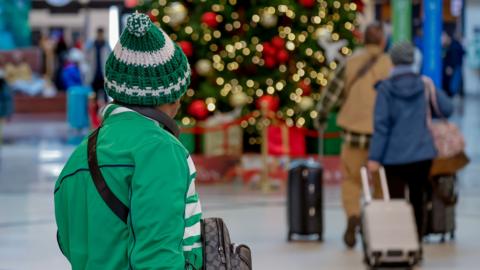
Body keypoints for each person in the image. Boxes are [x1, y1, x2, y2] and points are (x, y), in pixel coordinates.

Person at [54, 13, 202, 269]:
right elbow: (159, 258)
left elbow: (68, 244)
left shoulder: (78, 157)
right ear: (172, 95)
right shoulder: (161, 150)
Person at [315, 22, 393, 248]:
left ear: (363, 39)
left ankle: (353, 217)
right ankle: (377, 225)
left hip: (352, 135)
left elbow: (331, 95)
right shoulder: (390, 65)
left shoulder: (350, 63)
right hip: (381, 138)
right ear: (382, 41)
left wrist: (321, 116)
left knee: (350, 180)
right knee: (380, 182)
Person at [367, 42, 453, 241]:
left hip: (392, 157)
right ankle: (417, 242)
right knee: (418, 199)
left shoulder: (385, 88)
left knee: (396, 202)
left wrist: (374, 158)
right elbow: (447, 109)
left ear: (393, 60)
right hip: (422, 154)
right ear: (413, 60)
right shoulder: (425, 84)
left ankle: (400, 242)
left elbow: (381, 127)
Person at [85, 27, 111, 103]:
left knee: (105, 97)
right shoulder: (92, 45)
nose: (100, 36)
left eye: (101, 34)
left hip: (103, 75)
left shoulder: (106, 45)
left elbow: (110, 58)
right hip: (94, 75)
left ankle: (105, 113)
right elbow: (87, 58)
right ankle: (95, 114)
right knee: (94, 97)